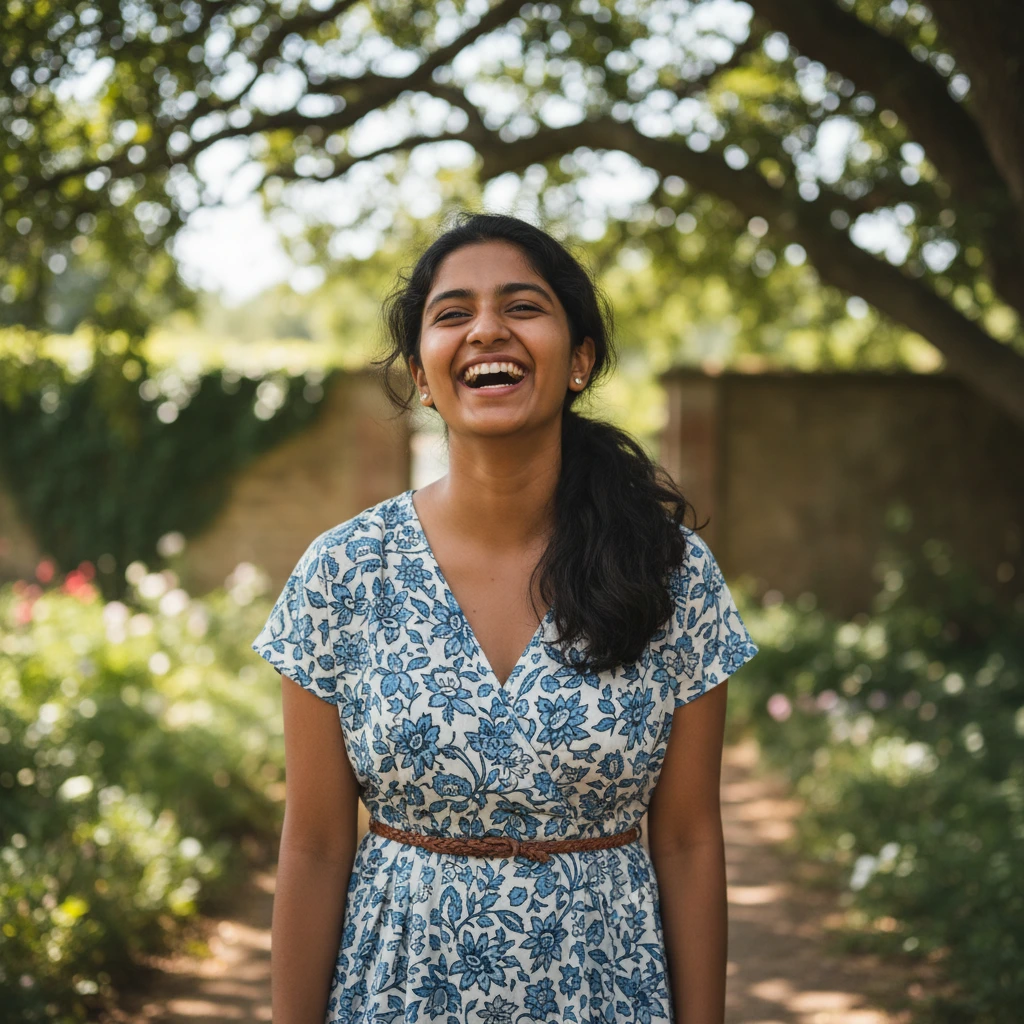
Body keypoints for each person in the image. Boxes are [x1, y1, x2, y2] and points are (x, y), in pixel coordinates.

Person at [251, 211, 759, 1024]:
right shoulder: (342, 573)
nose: (487, 328)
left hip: (606, 994)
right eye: (453, 314)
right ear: (422, 373)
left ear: (580, 361)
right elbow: (313, 848)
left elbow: (691, 842)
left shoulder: (671, 574)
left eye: (523, 306)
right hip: (395, 996)